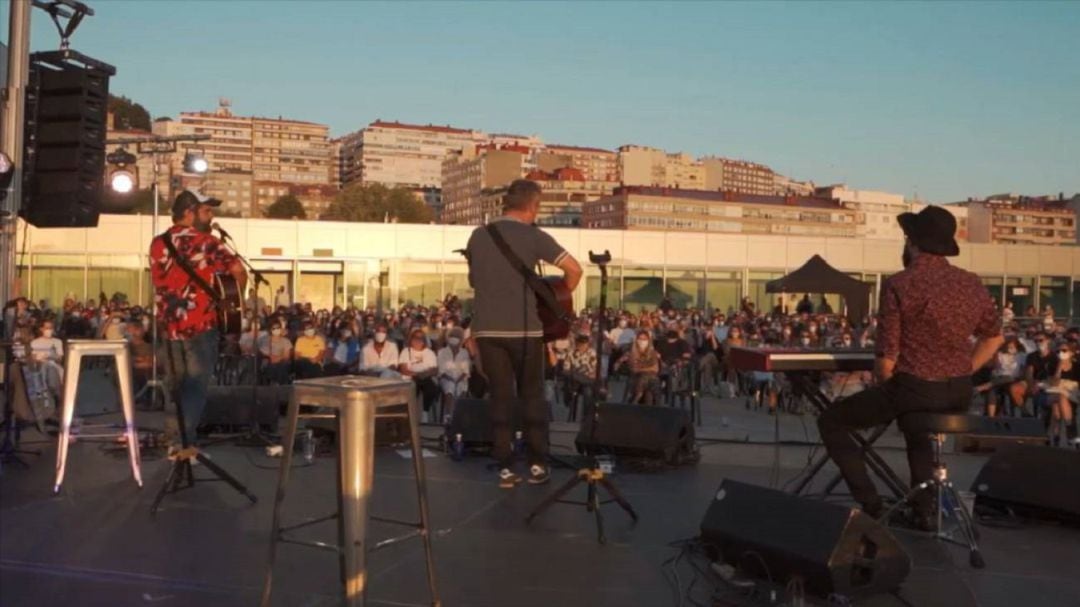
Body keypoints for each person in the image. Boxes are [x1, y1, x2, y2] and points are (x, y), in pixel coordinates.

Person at [818, 205, 1002, 529]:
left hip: (916, 387)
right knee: (916, 428)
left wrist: (887, 385)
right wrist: (964, 369)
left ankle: (872, 506)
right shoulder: (971, 283)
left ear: (912, 243)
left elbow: (887, 357)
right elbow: (994, 338)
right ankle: (924, 512)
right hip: (959, 390)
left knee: (832, 421)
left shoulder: (900, 284)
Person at [465, 179, 582, 488]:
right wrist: (555, 298)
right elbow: (575, 269)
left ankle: (504, 466)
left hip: (488, 329)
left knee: (501, 398)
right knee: (531, 397)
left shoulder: (478, 236)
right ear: (533, 206)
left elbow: (475, 282)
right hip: (526, 329)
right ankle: (537, 464)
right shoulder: (534, 236)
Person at [150, 190, 246, 447]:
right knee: (195, 386)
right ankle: (183, 444)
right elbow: (237, 270)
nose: (211, 216)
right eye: (206, 211)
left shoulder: (158, 242)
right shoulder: (207, 242)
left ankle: (174, 440)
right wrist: (236, 303)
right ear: (189, 212)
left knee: (175, 387)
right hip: (199, 326)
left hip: (168, 327)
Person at [398, 329, 440, 420]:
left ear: (424, 340)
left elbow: (435, 370)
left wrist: (425, 374)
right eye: (415, 337)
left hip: (425, 377)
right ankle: (411, 414)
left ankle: (425, 412)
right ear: (411, 339)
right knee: (413, 387)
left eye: (421, 338)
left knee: (430, 388)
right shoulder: (406, 351)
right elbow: (403, 369)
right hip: (411, 377)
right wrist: (415, 374)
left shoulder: (429, 353)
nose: (418, 340)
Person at [436, 327, 471, 423]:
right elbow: (441, 371)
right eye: (453, 336)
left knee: (462, 388)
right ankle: (449, 415)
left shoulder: (464, 352)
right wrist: (451, 379)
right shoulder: (442, 352)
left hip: (461, 378)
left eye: (457, 336)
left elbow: (465, 371)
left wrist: (458, 380)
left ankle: (460, 415)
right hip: (446, 378)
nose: (455, 338)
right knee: (450, 387)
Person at [1049, 342, 1079, 447]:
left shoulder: (1076, 366)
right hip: (1055, 391)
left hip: (1071, 393)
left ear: (1071, 353)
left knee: (1056, 409)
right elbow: (1053, 383)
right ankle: (1070, 429)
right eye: (1058, 351)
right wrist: (1059, 368)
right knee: (1060, 398)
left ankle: (1055, 437)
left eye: (1064, 350)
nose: (1061, 353)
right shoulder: (1053, 364)